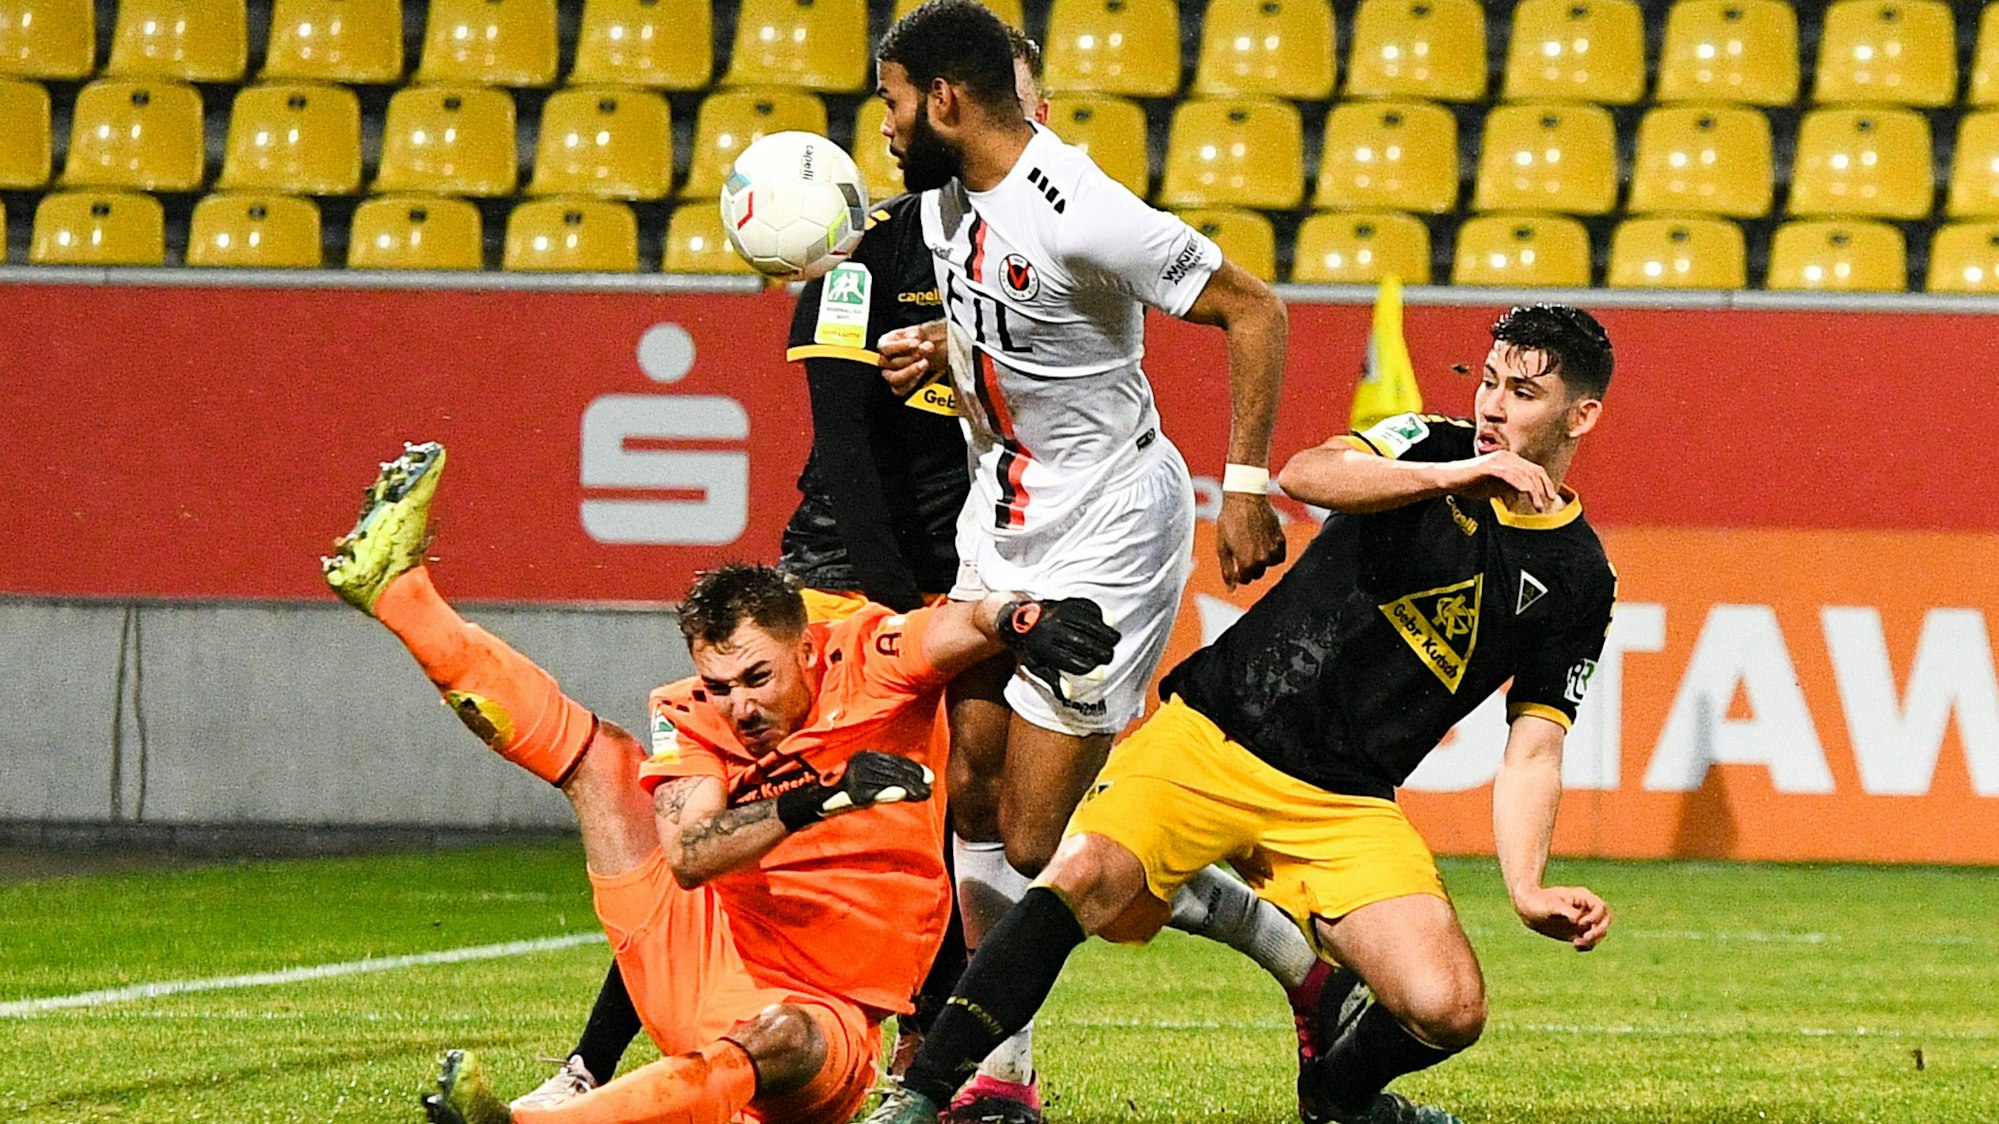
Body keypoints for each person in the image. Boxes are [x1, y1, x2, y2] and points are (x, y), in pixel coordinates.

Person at [867, 305, 1621, 1124]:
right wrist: (1452, 478)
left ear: (1579, 416)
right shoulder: (1430, 446)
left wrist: (1526, 886)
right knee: (1077, 874)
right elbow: (1307, 474)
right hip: (1211, 735)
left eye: (1522, 393)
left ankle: (1335, 1100)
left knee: (1447, 1006)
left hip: (1342, 801)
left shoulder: (1579, 577)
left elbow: (1534, 750)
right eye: (1486, 383)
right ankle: (922, 1095)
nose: (1491, 407)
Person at [503, 37, 1057, 1114]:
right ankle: (589, 1061)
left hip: (946, 579)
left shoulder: (1006, 250)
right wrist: (897, 611)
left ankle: (940, 1059)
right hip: (851, 582)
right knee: (759, 826)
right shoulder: (860, 265)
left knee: (928, 824)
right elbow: (845, 457)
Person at [318, 441, 1118, 1124]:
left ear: (806, 647)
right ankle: (401, 594)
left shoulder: (872, 657)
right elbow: (692, 856)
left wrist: (1024, 619)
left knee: (786, 1039)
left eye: (755, 677)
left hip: (825, 1008)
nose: (737, 705)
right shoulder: (696, 712)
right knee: (605, 762)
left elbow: (962, 623)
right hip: (696, 955)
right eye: (718, 681)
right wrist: (816, 799)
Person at [869, 1, 1303, 1114]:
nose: (884, 126)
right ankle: (1002, 1072)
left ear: (947, 103)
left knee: (1033, 830)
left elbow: (1255, 308)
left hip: (1109, 528)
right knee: (966, 779)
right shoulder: (945, 202)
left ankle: (1297, 956)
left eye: (894, 101)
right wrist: (947, 344)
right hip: (1001, 514)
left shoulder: (1082, 210)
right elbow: (1022, 320)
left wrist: (1244, 486)